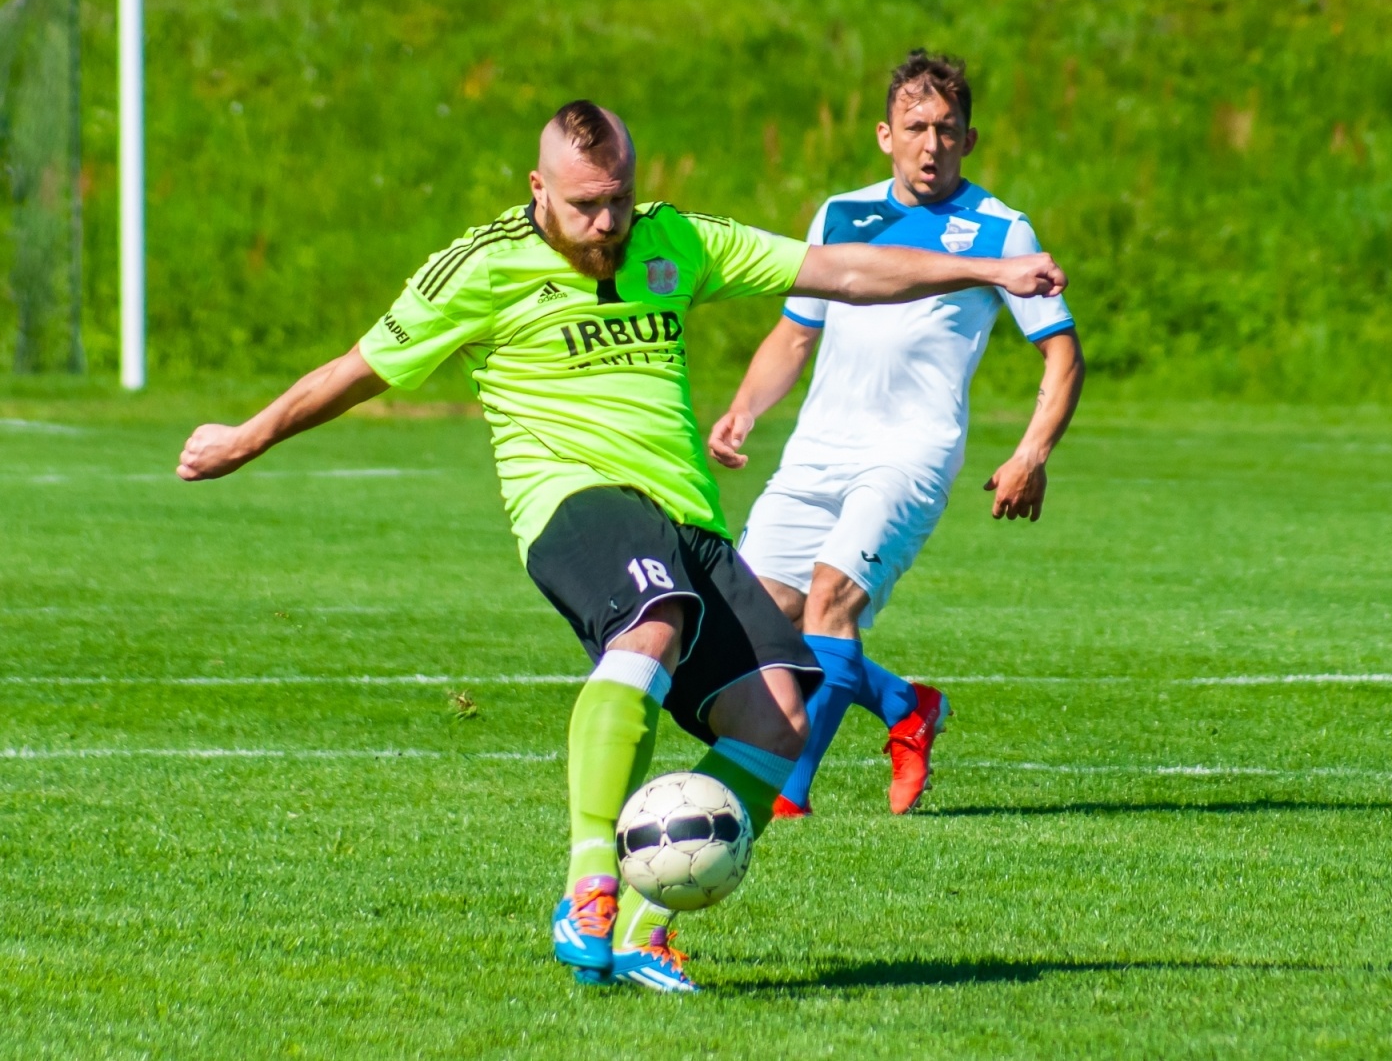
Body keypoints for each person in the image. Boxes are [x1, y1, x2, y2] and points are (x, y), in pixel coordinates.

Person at [176, 100, 1067, 992]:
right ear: (539, 189)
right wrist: (244, 438)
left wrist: (987, 268)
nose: (607, 224)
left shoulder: (673, 238)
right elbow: (358, 367)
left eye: (620, 201)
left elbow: (844, 270)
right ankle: (588, 884)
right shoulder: (481, 268)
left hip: (687, 515)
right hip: (572, 496)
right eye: (585, 206)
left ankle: (645, 931)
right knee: (652, 622)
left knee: (779, 720)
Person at [708, 51, 1085, 817]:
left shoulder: (1001, 231)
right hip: (816, 450)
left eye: (947, 129)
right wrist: (746, 406)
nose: (930, 143)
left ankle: (787, 798)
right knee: (752, 625)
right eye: (915, 126)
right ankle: (907, 707)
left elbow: (1064, 356)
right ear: (886, 134)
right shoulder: (840, 215)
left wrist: (1030, 453)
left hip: (911, 454)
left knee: (830, 603)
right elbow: (794, 332)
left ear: (969, 140)